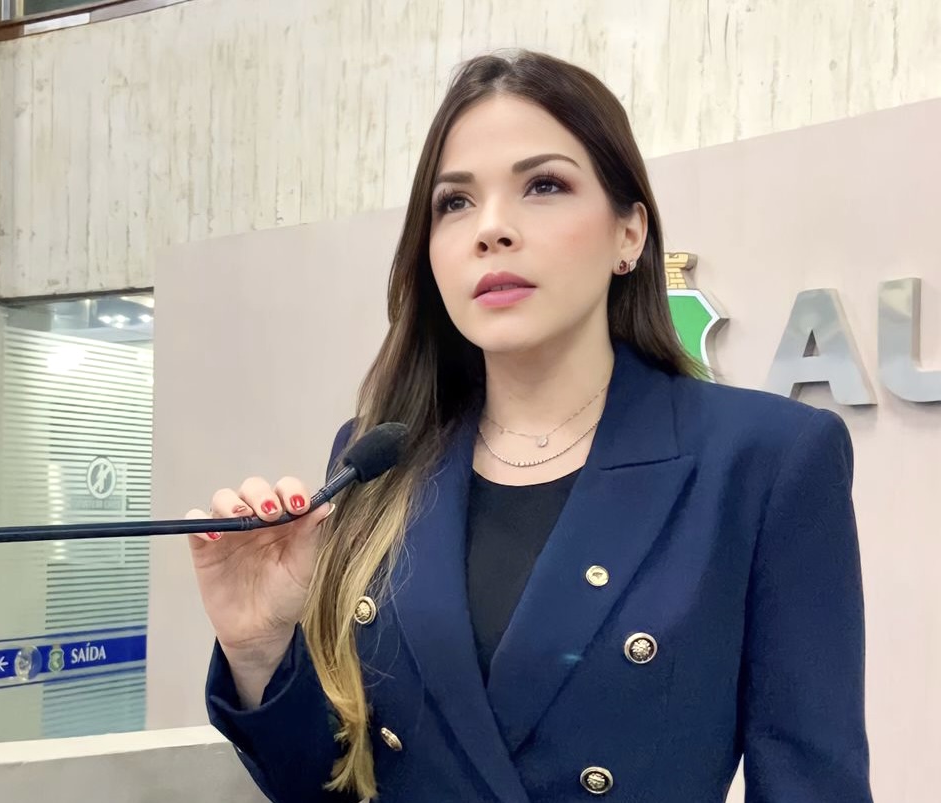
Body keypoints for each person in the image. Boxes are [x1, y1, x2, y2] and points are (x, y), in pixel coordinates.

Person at [185, 50, 872, 803]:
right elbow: (337, 786)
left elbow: (813, 779)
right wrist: (259, 649)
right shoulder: (377, 457)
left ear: (629, 233)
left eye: (544, 185)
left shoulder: (766, 458)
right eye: (454, 202)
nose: (491, 229)